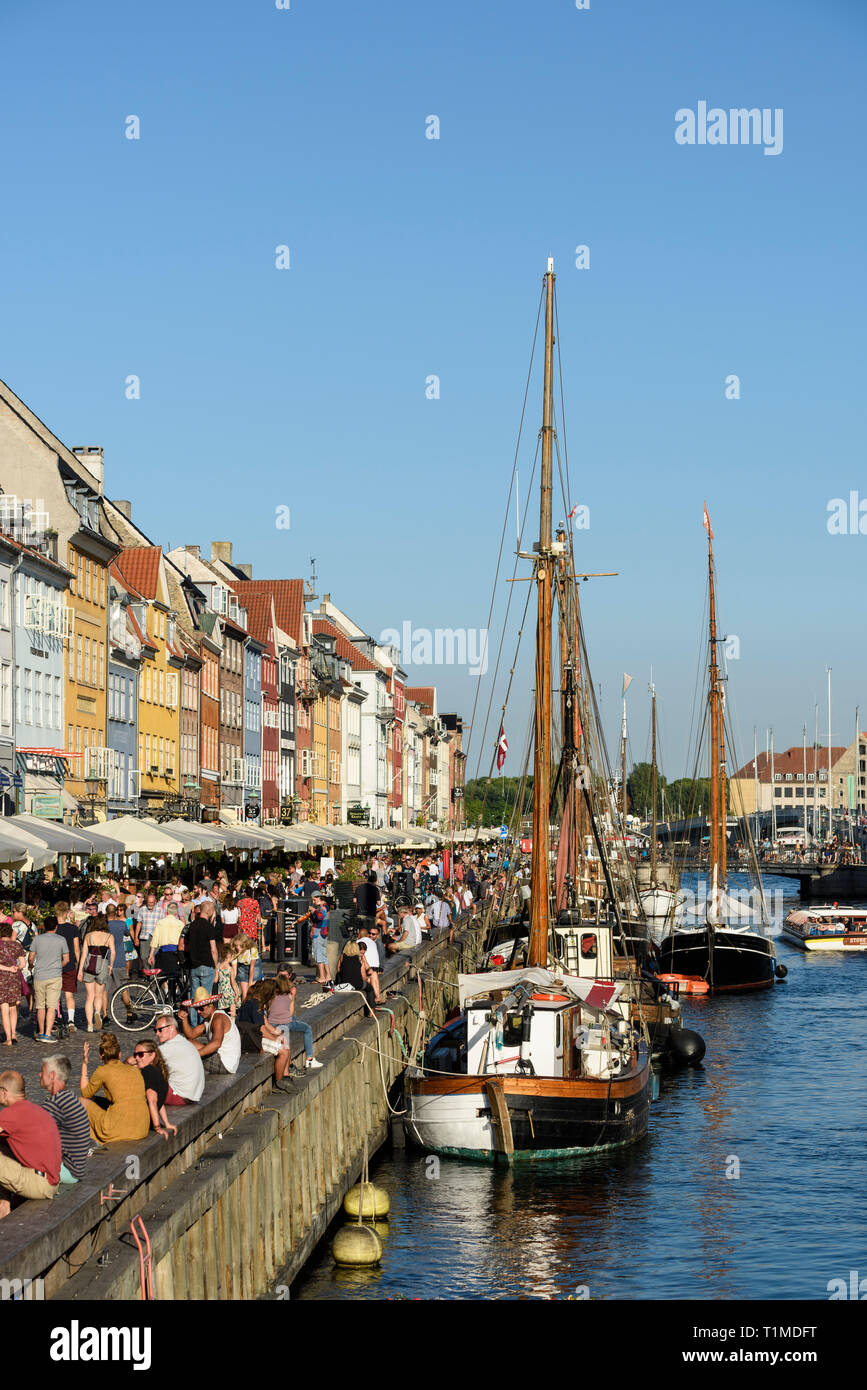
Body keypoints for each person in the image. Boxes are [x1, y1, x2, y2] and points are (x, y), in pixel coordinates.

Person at [0, 1070, 61, 1218]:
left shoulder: (11, 1114)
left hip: (40, 1184)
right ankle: (4, 1205)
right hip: (49, 1181)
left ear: (4, 1092)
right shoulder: (34, 1109)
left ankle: (4, 1206)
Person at [80, 1032, 149, 1143]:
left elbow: (85, 1093)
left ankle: (88, 1143)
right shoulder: (134, 1070)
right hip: (142, 1127)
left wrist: (84, 1063)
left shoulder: (103, 1071)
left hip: (118, 1127)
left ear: (100, 1056)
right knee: (97, 1102)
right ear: (120, 1055)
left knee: (81, 1102)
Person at [39, 1053, 90, 1183]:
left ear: (52, 1076)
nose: (39, 1075)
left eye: (42, 1071)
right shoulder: (68, 1096)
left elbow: (32, 1133)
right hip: (77, 1168)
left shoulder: (55, 1103)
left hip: (67, 1171)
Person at [237, 981, 293, 1091]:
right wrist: (275, 1039)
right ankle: (279, 1082)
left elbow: (265, 1022)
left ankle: (286, 1075)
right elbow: (261, 1029)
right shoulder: (255, 1004)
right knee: (283, 1051)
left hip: (254, 1035)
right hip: (252, 1039)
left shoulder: (254, 1001)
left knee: (284, 1041)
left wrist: (277, 1034)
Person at [178, 988, 241, 1075]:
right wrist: (184, 1018)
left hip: (225, 1064)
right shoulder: (209, 1019)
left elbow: (216, 1043)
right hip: (225, 1061)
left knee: (187, 1050)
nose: (198, 1012)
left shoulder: (218, 1018)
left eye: (201, 1008)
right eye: (196, 1009)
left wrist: (195, 1055)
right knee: (187, 1044)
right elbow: (191, 1035)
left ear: (210, 1006)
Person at [268, 971, 323, 1068]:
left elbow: (268, 1010)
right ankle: (309, 1059)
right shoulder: (290, 995)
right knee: (307, 1029)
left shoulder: (271, 996)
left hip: (272, 1024)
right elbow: (291, 1012)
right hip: (286, 1023)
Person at [127, 1036, 177, 1140]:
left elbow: (152, 1100)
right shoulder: (158, 1070)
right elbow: (160, 1101)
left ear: (152, 1055)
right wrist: (166, 1123)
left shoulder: (148, 1071)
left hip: (140, 1120)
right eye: (135, 1054)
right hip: (144, 1119)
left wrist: (157, 1127)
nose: (137, 1058)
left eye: (140, 1054)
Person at [28, 916, 69, 1043]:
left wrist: (31, 966)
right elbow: (66, 959)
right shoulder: (61, 940)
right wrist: (57, 966)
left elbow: (31, 957)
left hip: (39, 975)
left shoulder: (37, 939)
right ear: (56, 927)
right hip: (55, 976)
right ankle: (47, 1033)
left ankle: (40, 1032)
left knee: (40, 1006)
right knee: (51, 1006)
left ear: (44, 927)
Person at [153, 1011, 205, 1105]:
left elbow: (146, 1059)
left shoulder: (170, 1047)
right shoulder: (181, 1041)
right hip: (191, 1095)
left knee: (146, 1074)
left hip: (181, 1096)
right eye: (155, 1030)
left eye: (160, 1030)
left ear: (171, 1028)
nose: (157, 1033)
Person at [183, 902, 219, 1023]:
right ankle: (204, 1024)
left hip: (194, 966)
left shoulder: (192, 926)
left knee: (194, 998)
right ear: (208, 911)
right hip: (207, 965)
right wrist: (216, 967)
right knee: (206, 999)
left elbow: (186, 945)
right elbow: (213, 949)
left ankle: (193, 1025)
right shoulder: (209, 927)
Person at [78, 914, 114, 1032]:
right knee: (99, 995)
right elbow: (113, 953)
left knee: (89, 997)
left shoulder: (88, 936)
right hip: (102, 965)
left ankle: (89, 1025)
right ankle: (98, 1012)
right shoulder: (109, 936)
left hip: (89, 966)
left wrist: (80, 970)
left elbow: (83, 955)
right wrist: (111, 965)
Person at [54, 901, 80, 1032]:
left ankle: (56, 1017)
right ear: (66, 913)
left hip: (54, 965)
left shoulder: (53, 928)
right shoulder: (73, 928)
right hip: (69, 965)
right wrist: (79, 964)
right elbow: (76, 949)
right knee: (69, 995)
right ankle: (71, 1021)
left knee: (55, 994)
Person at [0, 923, 26, 1046]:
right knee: (13, 1008)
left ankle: (8, 1038)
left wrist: (7, 968)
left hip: (2, 979)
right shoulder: (17, 945)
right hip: (14, 979)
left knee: (4, 1009)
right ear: (10, 933)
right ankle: (14, 1033)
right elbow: (23, 963)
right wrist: (16, 968)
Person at [338, 939, 380, 1005]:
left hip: (344, 983)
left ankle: (377, 998)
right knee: (370, 988)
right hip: (357, 984)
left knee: (373, 975)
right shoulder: (359, 959)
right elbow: (363, 976)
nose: (362, 954)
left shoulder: (342, 957)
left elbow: (338, 970)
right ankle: (372, 1009)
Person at [308, 893, 332, 986]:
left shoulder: (322, 908)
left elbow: (319, 917)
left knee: (319, 956)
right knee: (323, 955)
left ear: (319, 898)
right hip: (323, 933)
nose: (314, 902)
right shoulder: (326, 907)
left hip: (318, 934)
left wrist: (313, 910)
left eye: (314, 900)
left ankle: (322, 977)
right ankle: (328, 976)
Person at [214, 940, 240, 1017]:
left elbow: (215, 980)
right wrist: (237, 993)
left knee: (222, 1009)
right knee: (232, 1007)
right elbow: (233, 982)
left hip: (221, 992)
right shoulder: (230, 968)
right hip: (230, 992)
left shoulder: (218, 966)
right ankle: (233, 1020)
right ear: (230, 956)